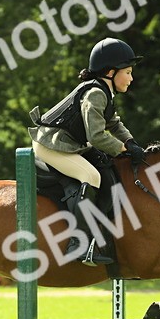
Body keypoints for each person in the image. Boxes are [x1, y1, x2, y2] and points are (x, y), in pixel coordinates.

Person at [28, 37, 147, 266]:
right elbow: (96, 136)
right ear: (111, 72)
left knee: (106, 167)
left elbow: (113, 123)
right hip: (51, 145)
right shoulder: (96, 93)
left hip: (70, 144)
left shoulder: (105, 92)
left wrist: (130, 142)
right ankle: (78, 244)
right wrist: (123, 149)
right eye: (128, 72)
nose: (132, 78)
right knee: (91, 176)